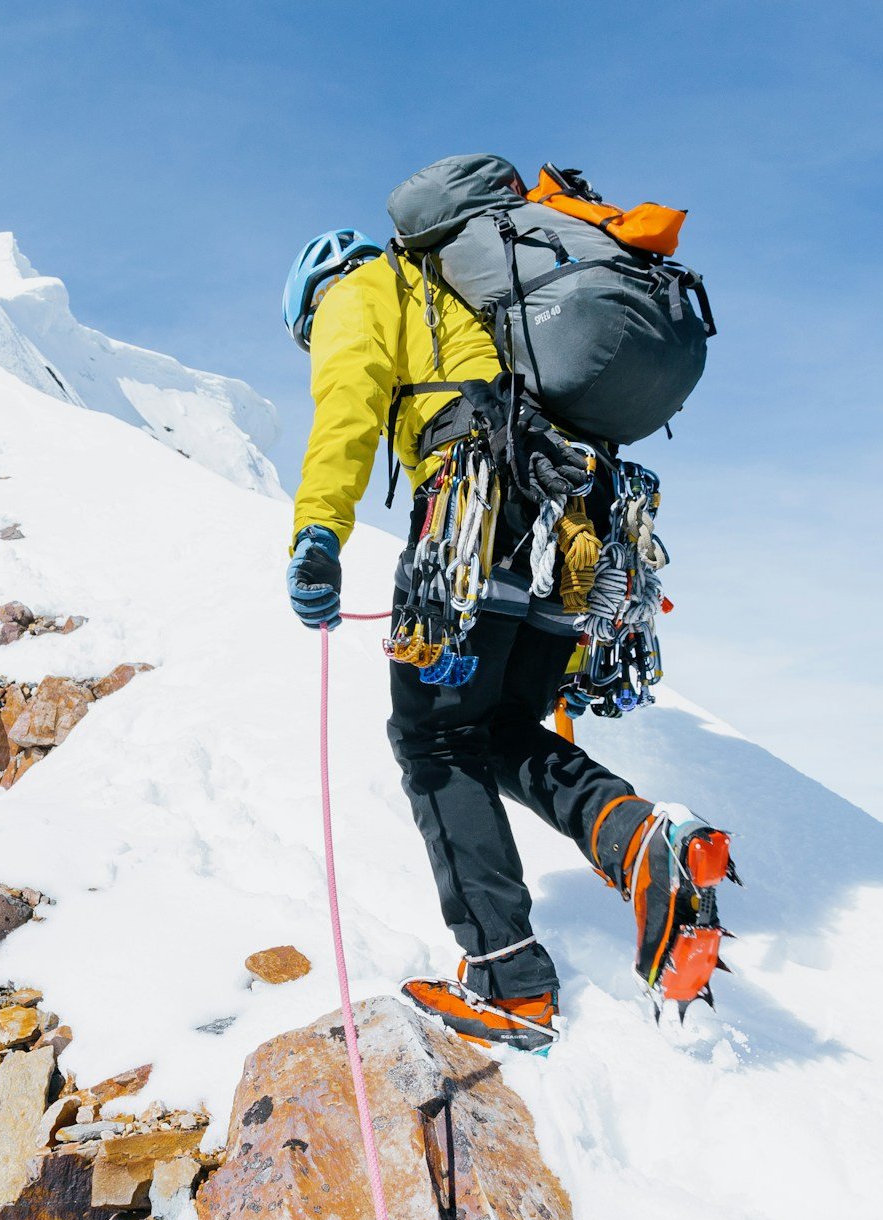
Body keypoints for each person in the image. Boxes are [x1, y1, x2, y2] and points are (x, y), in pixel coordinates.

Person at [280, 208, 732, 1052]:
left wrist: (318, 533)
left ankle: (509, 979)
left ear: (315, 295)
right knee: (495, 729)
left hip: (476, 507)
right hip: (578, 522)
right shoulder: (469, 294)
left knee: (435, 741)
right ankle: (643, 840)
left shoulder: (361, 289)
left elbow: (348, 402)